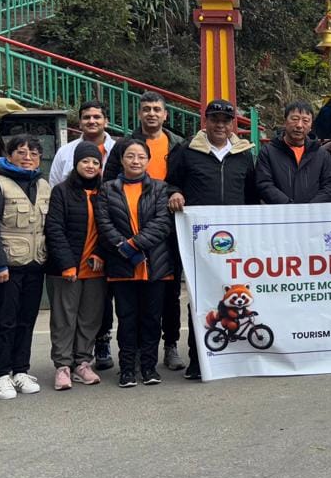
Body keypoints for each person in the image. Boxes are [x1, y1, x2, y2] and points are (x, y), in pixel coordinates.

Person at [167, 99, 257, 380]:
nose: (220, 125)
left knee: (236, 297)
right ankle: (198, 359)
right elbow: (171, 182)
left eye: (225, 120)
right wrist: (175, 192)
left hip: (236, 241)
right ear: (205, 121)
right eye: (215, 119)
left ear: (233, 124)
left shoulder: (244, 154)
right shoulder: (186, 150)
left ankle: (233, 357)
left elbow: (252, 195)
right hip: (200, 240)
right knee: (200, 297)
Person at [104, 92, 186, 371]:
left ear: (165, 115)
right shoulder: (125, 145)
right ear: (139, 114)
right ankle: (136, 351)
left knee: (169, 290)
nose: (152, 113)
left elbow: (183, 181)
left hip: (167, 225)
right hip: (130, 226)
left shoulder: (178, 145)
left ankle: (171, 344)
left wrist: (175, 194)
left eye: (157, 109)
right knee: (132, 295)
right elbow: (109, 183)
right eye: (146, 109)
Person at [0, 134, 49, 400]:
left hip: (35, 264)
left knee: (26, 320)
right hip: (6, 266)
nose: (28, 157)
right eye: (22, 152)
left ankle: (20, 370)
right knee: (2, 320)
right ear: (9, 154)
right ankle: (0, 374)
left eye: (34, 153)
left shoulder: (42, 184)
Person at [96, 139, 175, 388]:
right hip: (123, 266)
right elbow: (104, 222)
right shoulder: (108, 189)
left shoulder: (161, 188)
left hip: (155, 265)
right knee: (127, 319)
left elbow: (163, 223)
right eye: (130, 156)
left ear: (148, 160)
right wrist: (123, 246)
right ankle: (127, 369)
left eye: (141, 157)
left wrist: (134, 244)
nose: (136, 161)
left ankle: (149, 368)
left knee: (152, 319)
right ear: (122, 159)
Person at [44, 141, 106, 390]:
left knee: (89, 318)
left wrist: (102, 253)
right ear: (76, 164)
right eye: (85, 161)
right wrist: (66, 264)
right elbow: (54, 229)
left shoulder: (105, 192)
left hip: (95, 268)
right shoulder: (61, 191)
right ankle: (62, 366)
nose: (90, 166)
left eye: (95, 162)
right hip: (67, 267)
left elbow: (110, 227)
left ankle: (82, 362)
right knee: (63, 318)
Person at [256, 100, 331, 205]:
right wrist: (288, 206)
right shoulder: (268, 152)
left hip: (313, 216)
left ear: (311, 126)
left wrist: (310, 208)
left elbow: (330, 185)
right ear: (285, 121)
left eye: (305, 120)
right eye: (294, 119)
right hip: (279, 215)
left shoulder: (321, 154)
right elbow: (264, 184)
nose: (299, 125)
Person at [49, 100, 116, 186]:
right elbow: (54, 185)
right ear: (80, 123)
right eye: (86, 117)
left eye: (96, 117)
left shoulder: (118, 150)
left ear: (106, 122)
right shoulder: (64, 152)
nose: (91, 121)